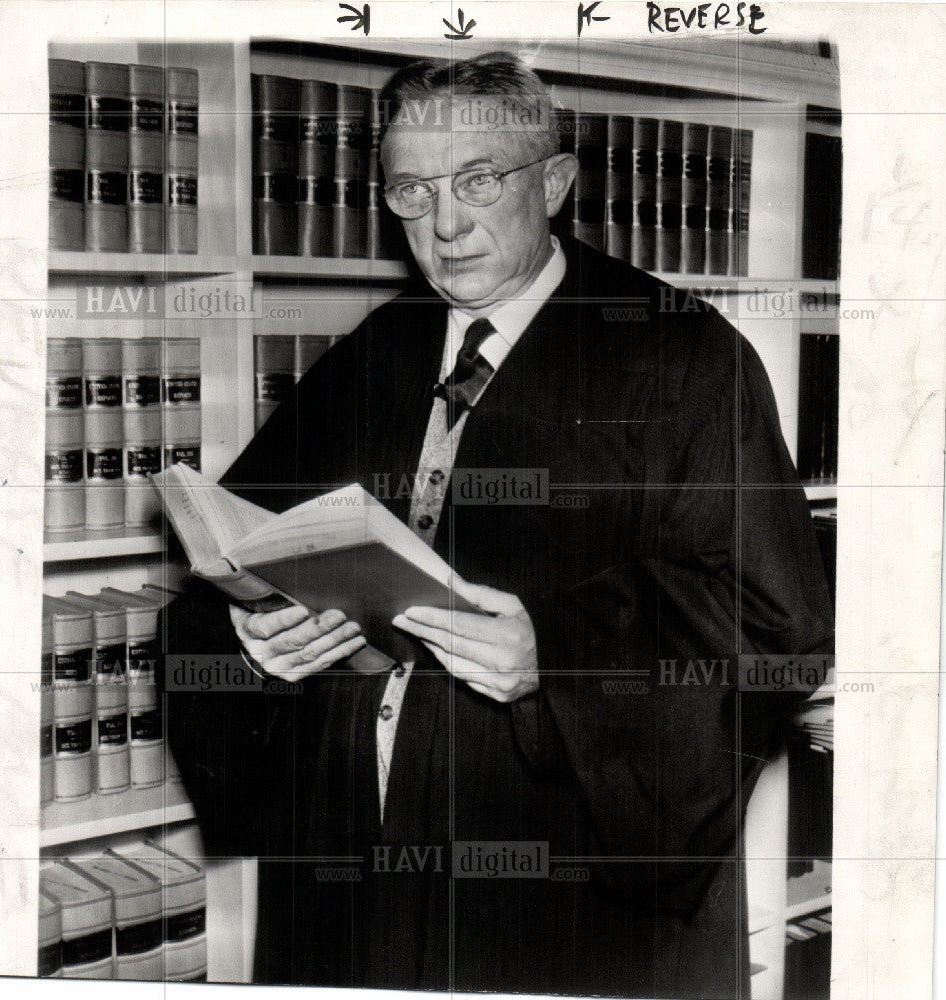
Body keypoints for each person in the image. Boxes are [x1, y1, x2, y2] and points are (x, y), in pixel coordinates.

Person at [160, 51, 833, 999]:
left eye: (477, 179)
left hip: (560, 860)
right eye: (410, 189)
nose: (443, 223)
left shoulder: (681, 357)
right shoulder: (377, 348)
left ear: (554, 183)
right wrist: (255, 636)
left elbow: (775, 624)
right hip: (359, 844)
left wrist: (553, 658)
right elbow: (233, 555)